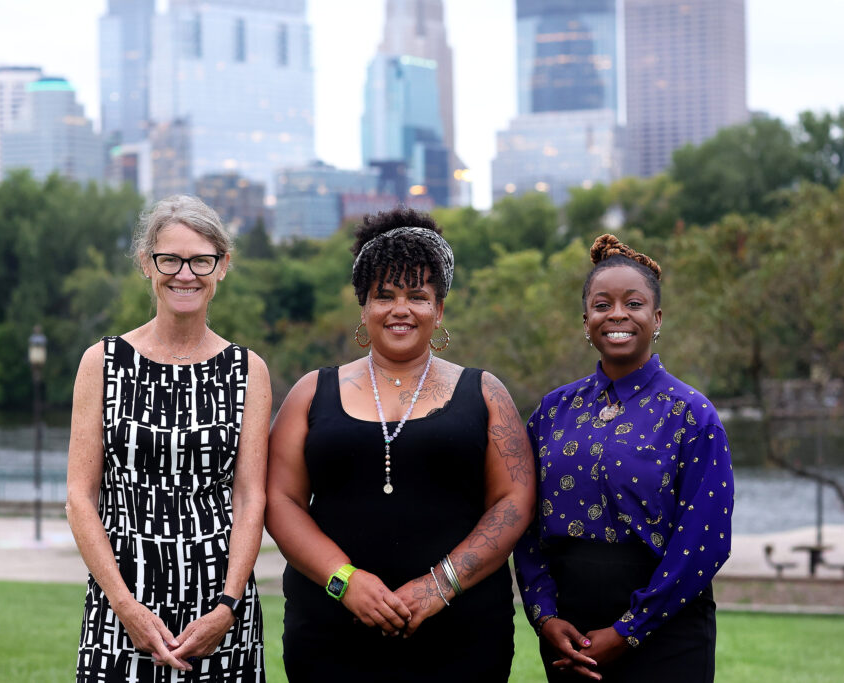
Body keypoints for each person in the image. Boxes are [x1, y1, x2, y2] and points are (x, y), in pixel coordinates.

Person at [265, 208, 536, 682]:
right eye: (383, 295)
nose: (400, 309)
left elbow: (513, 502)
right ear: (363, 306)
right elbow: (281, 500)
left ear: (440, 308)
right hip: (331, 631)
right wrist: (344, 581)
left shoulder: (486, 392)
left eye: (418, 295)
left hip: (461, 631)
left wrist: (440, 585)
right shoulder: (311, 391)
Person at [66, 195, 270, 682]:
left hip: (220, 610)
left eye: (201, 260)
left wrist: (227, 606)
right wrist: (125, 606)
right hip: (121, 604)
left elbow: (249, 496)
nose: (185, 274)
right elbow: (79, 497)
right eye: (170, 259)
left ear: (222, 267)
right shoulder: (103, 362)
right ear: (146, 264)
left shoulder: (248, 370)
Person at [514, 234, 734, 683]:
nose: (616, 314)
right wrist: (543, 614)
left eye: (633, 304)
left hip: (668, 627)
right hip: (568, 631)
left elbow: (705, 540)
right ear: (585, 320)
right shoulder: (552, 411)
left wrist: (629, 630)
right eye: (602, 304)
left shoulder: (692, 415)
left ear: (657, 319)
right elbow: (522, 518)